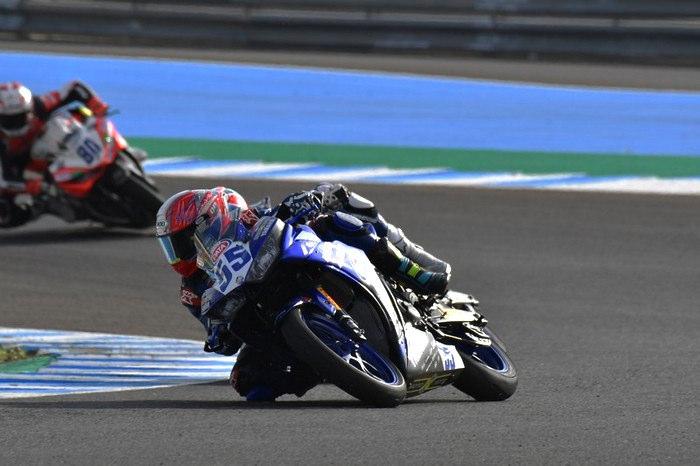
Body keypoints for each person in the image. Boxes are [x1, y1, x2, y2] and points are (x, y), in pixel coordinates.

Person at [155, 184, 451, 401]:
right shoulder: (192, 290)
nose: (177, 254)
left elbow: (290, 211)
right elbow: (217, 333)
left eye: (181, 241)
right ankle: (325, 362)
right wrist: (218, 336)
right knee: (248, 383)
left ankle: (409, 267)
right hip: (269, 318)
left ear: (210, 220)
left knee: (336, 214)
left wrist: (309, 201)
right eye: (170, 246)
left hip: (300, 262)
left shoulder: (245, 218)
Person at [0, 80, 109, 227]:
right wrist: (27, 186)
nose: (15, 124)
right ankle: (47, 206)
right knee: (10, 212)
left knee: (79, 113)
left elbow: (74, 87)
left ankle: (113, 147)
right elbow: (3, 179)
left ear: (30, 110)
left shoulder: (40, 104)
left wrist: (97, 105)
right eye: (8, 120)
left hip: (58, 138)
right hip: (24, 163)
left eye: (20, 117)